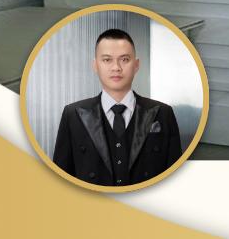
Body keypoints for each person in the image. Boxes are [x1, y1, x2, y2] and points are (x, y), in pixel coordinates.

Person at [51, 29, 182, 186]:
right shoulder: (73, 114)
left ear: (136, 65)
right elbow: (60, 180)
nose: (116, 68)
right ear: (95, 65)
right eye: (107, 60)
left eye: (124, 59)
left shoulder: (163, 113)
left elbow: (175, 180)